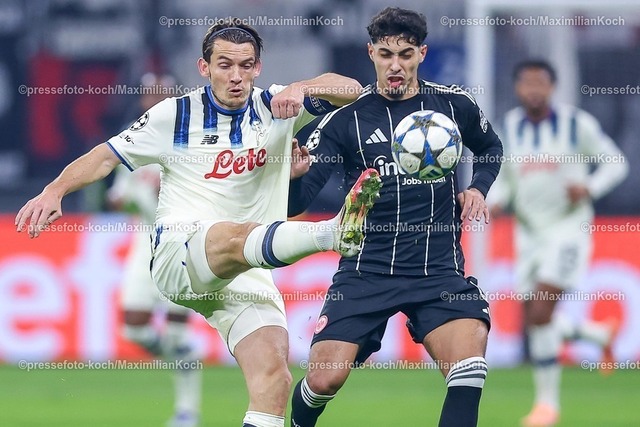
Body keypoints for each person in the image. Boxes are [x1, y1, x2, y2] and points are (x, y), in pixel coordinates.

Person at [15, 20, 377, 427]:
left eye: (245, 65)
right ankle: (332, 232)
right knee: (231, 235)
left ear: (258, 67)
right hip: (181, 253)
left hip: (246, 272)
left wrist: (302, 87)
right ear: (204, 67)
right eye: (224, 65)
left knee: (273, 381)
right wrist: (54, 191)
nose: (236, 76)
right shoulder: (174, 115)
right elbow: (104, 156)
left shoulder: (275, 105)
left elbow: (352, 89)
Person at [288, 7, 502, 427]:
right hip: (366, 270)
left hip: (437, 270)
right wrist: (294, 180)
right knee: (324, 380)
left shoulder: (453, 104)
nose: (395, 66)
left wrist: (478, 187)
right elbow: (297, 202)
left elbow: (490, 147)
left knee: (469, 368)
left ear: (422, 53)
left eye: (405, 54)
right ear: (371, 53)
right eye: (386, 55)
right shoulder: (345, 118)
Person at [489, 60, 628, 427]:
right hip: (528, 233)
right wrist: (495, 200)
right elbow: (504, 178)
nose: (534, 89)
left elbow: (616, 162)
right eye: (527, 83)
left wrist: (590, 187)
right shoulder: (509, 127)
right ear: (517, 88)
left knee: (540, 313)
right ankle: (598, 333)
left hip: (568, 229)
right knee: (536, 318)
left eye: (541, 83)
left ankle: (547, 406)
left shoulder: (576, 124)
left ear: (552, 87)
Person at [107, 73, 202, 427]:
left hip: (182, 246)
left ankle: (187, 411)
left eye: (161, 93)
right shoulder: (135, 139)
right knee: (133, 329)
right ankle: (183, 359)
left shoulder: (194, 140)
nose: (154, 99)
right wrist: (126, 200)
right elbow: (117, 196)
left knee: (176, 331)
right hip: (144, 245)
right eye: (149, 93)